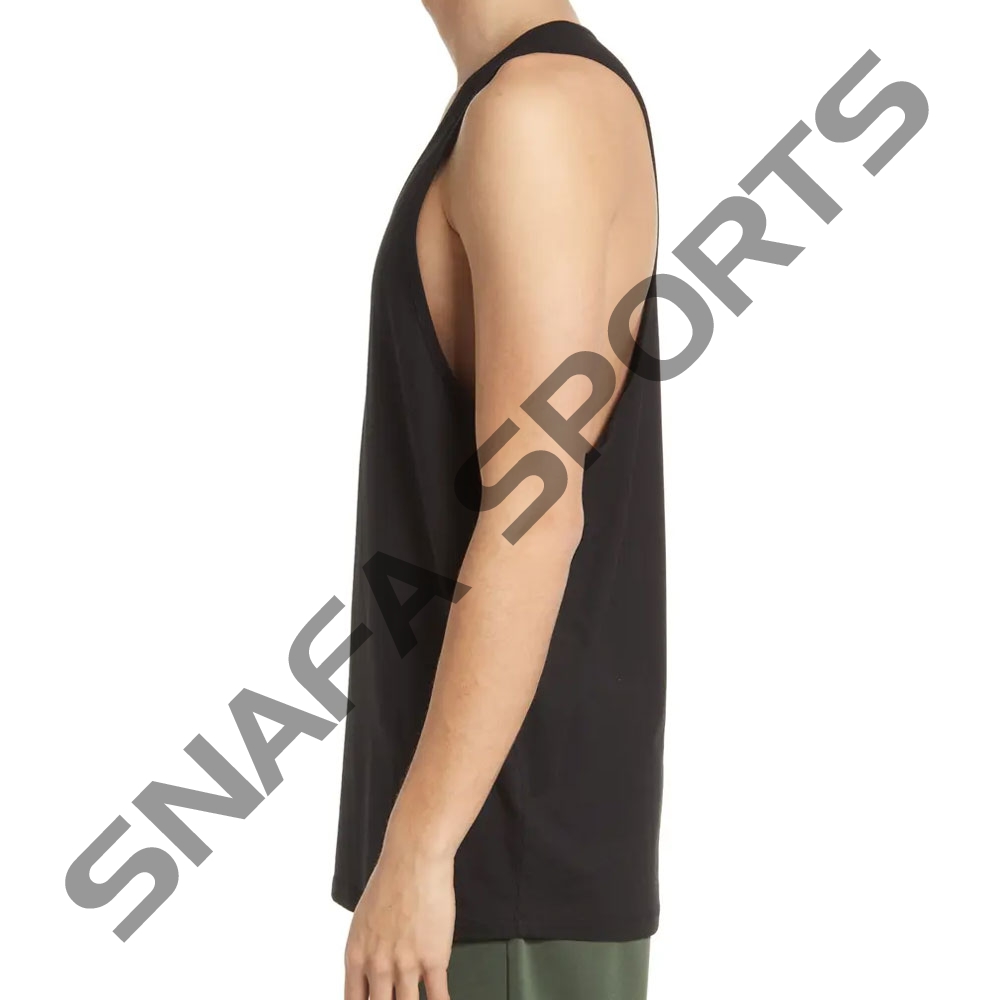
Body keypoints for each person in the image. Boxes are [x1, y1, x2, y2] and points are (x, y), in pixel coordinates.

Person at [332, 2, 665, 997]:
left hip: (496, 874)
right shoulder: (514, 103)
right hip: (479, 873)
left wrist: (424, 847)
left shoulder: (535, 111)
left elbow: (536, 516)